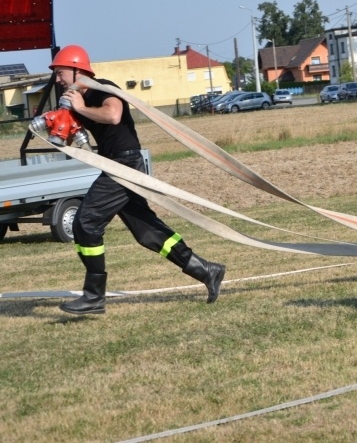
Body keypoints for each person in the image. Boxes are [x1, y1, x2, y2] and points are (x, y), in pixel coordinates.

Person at [49, 45, 225, 315]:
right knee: (147, 232)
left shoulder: (101, 88)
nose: (58, 79)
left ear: (77, 70)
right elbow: (78, 133)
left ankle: (94, 296)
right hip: (116, 162)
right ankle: (207, 271)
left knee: (85, 222)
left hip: (124, 163)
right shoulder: (78, 99)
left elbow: (113, 115)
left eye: (60, 73)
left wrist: (81, 107)